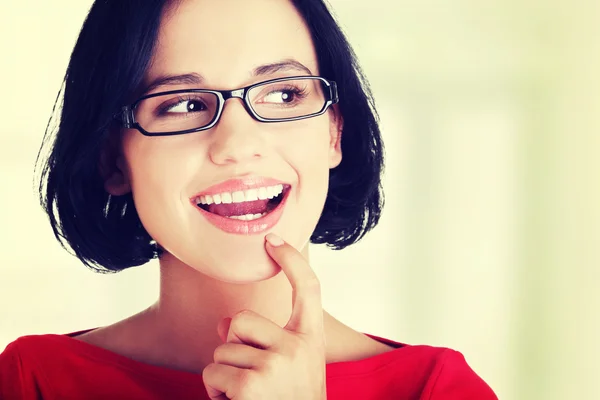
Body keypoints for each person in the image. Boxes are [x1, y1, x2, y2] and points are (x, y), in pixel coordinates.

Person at [0, 0, 498, 398]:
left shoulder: (434, 390)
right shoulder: (32, 383)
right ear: (113, 160)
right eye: (184, 104)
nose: (238, 145)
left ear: (334, 132)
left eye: (283, 94)